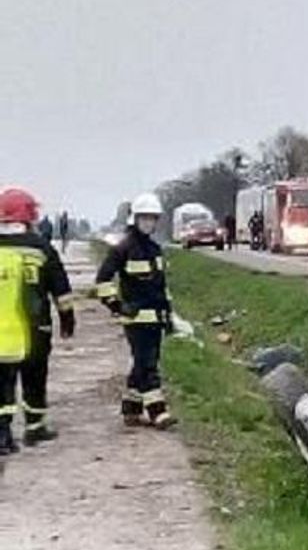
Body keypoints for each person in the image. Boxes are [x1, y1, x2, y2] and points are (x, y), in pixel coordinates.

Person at [0, 188, 75, 455]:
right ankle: (34, 427)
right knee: (35, 377)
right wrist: (67, 321)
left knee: (3, 380)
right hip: (35, 327)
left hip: (1, 328)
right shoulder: (41, 247)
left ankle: (3, 432)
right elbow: (61, 290)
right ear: (30, 216)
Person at [95, 192, 177, 430]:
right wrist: (116, 305)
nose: (149, 223)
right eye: (145, 218)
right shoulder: (123, 248)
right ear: (135, 219)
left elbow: (161, 287)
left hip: (156, 317)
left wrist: (168, 315)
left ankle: (131, 409)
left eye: (153, 218)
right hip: (135, 319)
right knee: (148, 364)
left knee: (142, 363)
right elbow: (103, 280)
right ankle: (157, 412)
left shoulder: (154, 249)